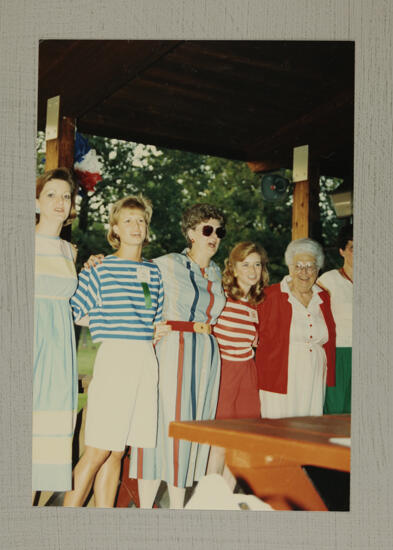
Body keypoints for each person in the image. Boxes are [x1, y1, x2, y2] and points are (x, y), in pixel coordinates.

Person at [63, 195, 164, 507]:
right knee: (97, 450)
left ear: (147, 230)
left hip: (145, 361)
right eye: (129, 220)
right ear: (115, 229)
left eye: (141, 221)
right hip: (115, 361)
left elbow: (155, 320)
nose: (136, 226)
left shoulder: (153, 272)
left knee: (118, 450)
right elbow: (75, 310)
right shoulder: (100, 268)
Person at [129, 203, 227, 509]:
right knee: (163, 428)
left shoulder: (215, 271)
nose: (214, 236)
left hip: (206, 356)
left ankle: (178, 506)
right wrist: (148, 320)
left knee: (192, 430)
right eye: (206, 229)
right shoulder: (169, 263)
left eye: (219, 231)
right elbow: (138, 276)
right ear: (190, 233)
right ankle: (146, 510)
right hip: (174, 350)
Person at [33, 168, 79, 501]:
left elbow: (78, 306)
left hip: (60, 351)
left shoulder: (69, 251)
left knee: (46, 439)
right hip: (29, 341)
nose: (59, 202)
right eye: (51, 194)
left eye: (66, 196)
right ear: (36, 201)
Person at [207, 242, 268, 482]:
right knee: (219, 442)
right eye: (246, 265)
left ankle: (226, 501)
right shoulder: (220, 295)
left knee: (241, 443)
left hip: (247, 374)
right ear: (233, 267)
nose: (252, 271)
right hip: (224, 372)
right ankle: (208, 500)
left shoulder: (257, 303)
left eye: (257, 265)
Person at [255, 238, 336, 419]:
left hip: (315, 375)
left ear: (318, 269)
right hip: (280, 376)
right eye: (298, 266)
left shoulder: (323, 298)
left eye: (310, 266)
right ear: (290, 267)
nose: (304, 272)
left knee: (310, 431)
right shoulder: (270, 296)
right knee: (278, 431)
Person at [318, 224, 353, 413]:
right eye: (353, 248)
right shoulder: (328, 281)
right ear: (342, 251)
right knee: (335, 413)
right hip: (338, 354)